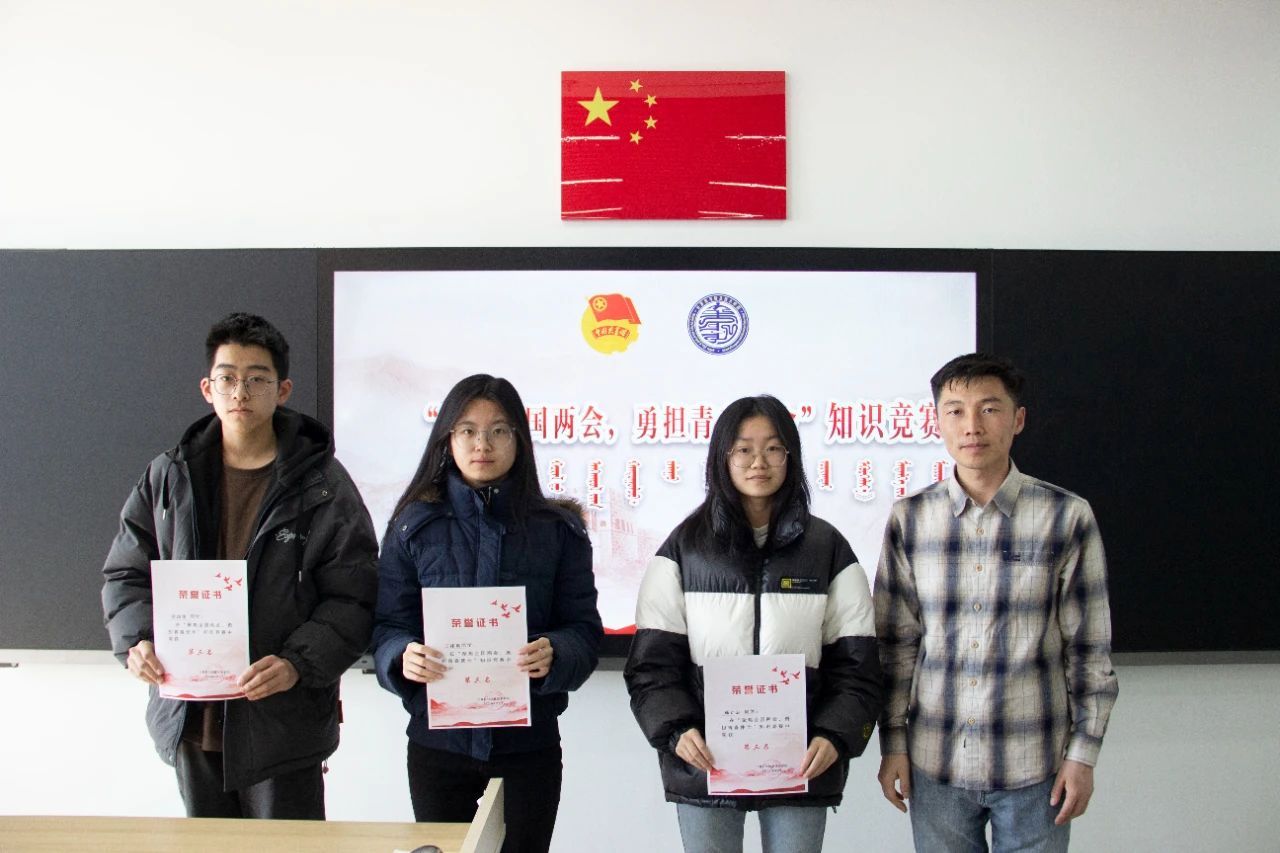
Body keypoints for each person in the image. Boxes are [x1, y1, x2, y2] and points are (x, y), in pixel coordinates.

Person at [101, 312, 379, 819]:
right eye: (227, 378)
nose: (240, 392)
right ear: (207, 389)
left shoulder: (323, 485)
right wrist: (137, 640)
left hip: (284, 722)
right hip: (191, 719)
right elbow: (126, 573)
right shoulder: (169, 477)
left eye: (257, 379)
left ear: (283, 390)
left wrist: (297, 663)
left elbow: (354, 594)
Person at [874, 353, 1120, 852]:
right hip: (935, 762)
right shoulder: (910, 518)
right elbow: (896, 648)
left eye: (989, 409)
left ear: (1018, 419)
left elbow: (1088, 651)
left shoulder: (1066, 517)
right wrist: (892, 743)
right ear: (937, 421)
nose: (972, 426)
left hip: (1035, 764)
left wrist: (1083, 755)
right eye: (955, 411)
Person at [625, 394, 883, 853]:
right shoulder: (684, 548)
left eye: (773, 448)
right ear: (721, 458)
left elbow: (858, 666)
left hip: (801, 764)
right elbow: (651, 666)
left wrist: (835, 735)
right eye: (743, 449)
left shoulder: (828, 549)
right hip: (705, 762)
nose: (758, 462)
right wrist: (677, 730)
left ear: (791, 456)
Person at [371, 373, 602, 853]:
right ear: (447, 439)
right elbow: (388, 626)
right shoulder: (413, 527)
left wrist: (557, 652)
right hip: (438, 745)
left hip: (528, 745)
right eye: (468, 430)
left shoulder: (557, 530)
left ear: (519, 439)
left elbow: (584, 629)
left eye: (498, 430)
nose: (483, 444)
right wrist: (401, 655)